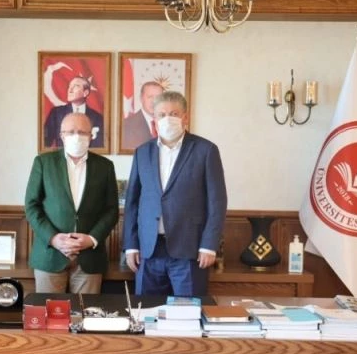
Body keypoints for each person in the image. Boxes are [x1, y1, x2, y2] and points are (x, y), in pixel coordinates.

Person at [123, 91, 227, 296]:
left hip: (189, 251)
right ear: (154, 119)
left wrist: (209, 245)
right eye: (161, 115)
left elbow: (217, 202)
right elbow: (132, 202)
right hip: (149, 251)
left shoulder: (206, 150)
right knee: (147, 311)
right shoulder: (142, 152)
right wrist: (131, 245)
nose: (167, 119)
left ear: (185, 117)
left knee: (187, 311)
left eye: (174, 113)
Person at [25, 112, 119, 293]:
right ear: (62, 135)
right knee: (49, 310)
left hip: (90, 258)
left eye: (82, 132)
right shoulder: (43, 163)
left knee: (87, 310)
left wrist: (91, 239)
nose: (77, 136)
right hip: (50, 255)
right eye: (71, 132)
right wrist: (54, 238)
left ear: (91, 136)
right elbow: (31, 206)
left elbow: (111, 210)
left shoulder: (105, 166)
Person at [43, 76, 104, 149]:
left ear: (85, 93)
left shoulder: (97, 118)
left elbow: (99, 147)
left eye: (75, 86)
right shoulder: (56, 113)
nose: (70, 90)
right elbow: (45, 142)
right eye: (69, 86)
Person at [121, 81, 164, 150]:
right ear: (141, 98)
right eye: (150, 97)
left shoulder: (169, 124)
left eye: (158, 97)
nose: (154, 101)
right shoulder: (127, 125)